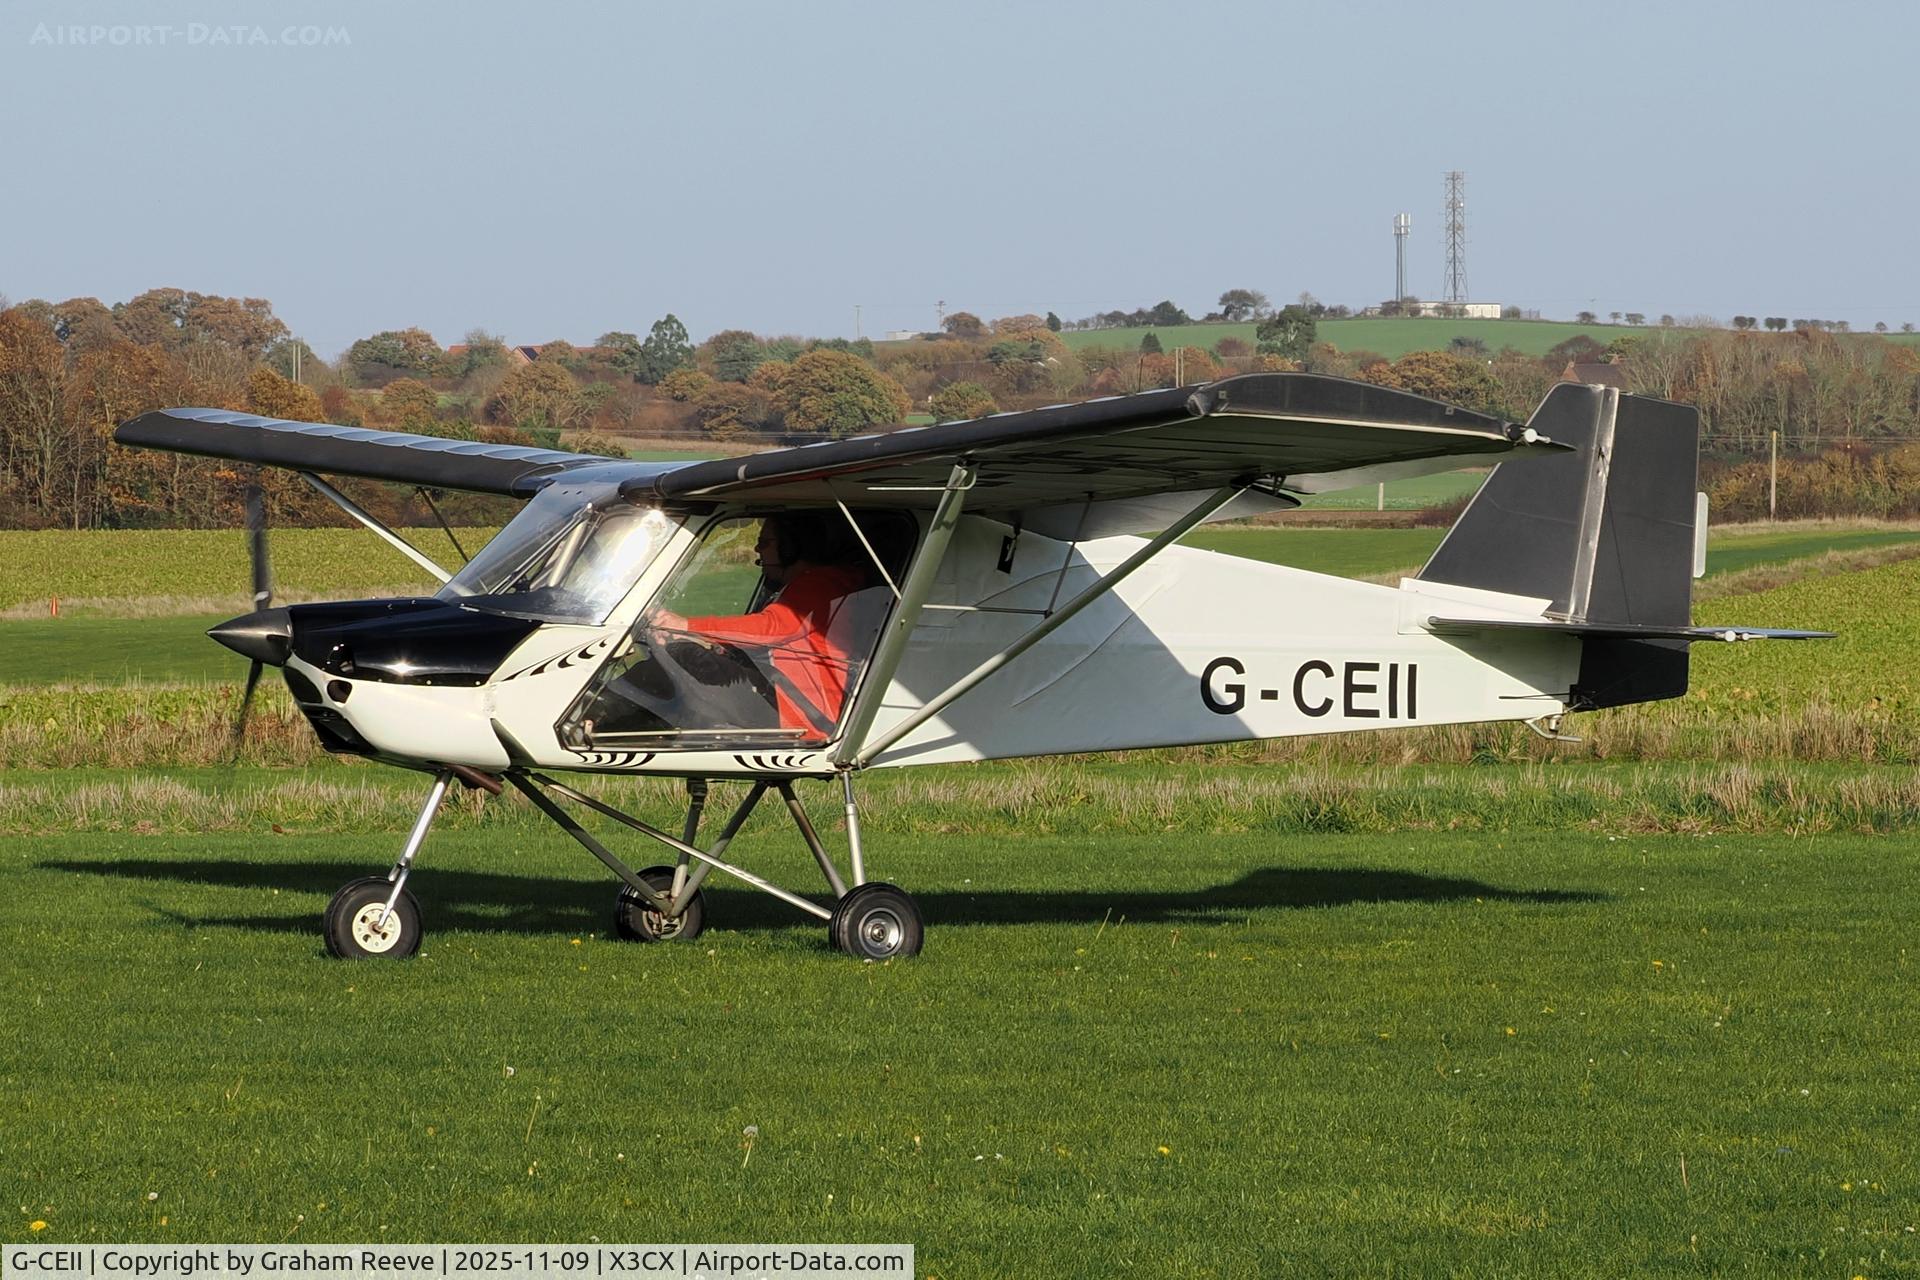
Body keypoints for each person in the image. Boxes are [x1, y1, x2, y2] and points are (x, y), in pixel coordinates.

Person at [648, 513, 868, 735]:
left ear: (790, 548)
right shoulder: (818, 582)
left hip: (802, 712)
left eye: (764, 543)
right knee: (684, 662)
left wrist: (687, 625)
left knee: (682, 669)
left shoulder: (820, 584)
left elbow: (771, 628)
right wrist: (694, 637)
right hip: (785, 696)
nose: (756, 549)